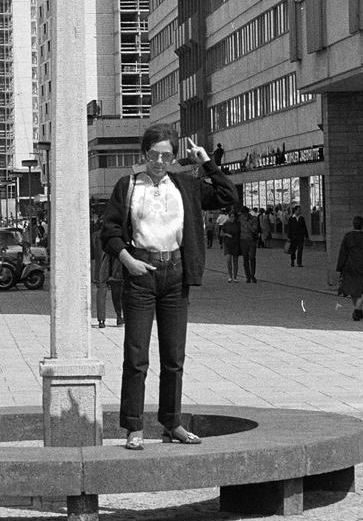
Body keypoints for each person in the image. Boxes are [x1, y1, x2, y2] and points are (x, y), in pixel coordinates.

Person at [101, 125, 235, 451]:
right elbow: (108, 231)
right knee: (136, 357)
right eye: (153, 155)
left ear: (174, 156)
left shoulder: (185, 185)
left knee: (174, 357)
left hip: (175, 274)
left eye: (166, 155)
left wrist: (207, 163)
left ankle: (171, 422)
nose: (159, 161)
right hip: (141, 273)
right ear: (143, 154)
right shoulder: (128, 186)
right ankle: (133, 426)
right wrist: (128, 260)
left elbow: (228, 196)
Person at [335, 215, 363, 321]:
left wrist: (340, 267)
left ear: (353, 225)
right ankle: (357, 309)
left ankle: (358, 309)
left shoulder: (348, 237)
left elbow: (343, 253)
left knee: (353, 289)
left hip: (350, 267)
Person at [218, 210, 241, 282]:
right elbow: (221, 233)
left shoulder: (238, 224)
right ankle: (230, 276)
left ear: (235, 217)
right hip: (227, 243)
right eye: (230, 216)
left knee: (235, 261)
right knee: (228, 260)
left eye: (233, 217)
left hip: (236, 243)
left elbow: (240, 233)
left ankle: (235, 277)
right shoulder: (226, 224)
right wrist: (226, 234)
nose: (232, 218)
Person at [239, 207, 260, 284]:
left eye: (244, 213)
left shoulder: (254, 219)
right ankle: (247, 276)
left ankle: (252, 275)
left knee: (252, 257)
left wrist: (247, 224)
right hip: (243, 240)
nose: (243, 215)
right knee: (245, 258)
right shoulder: (240, 218)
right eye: (242, 214)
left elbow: (254, 230)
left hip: (251, 240)